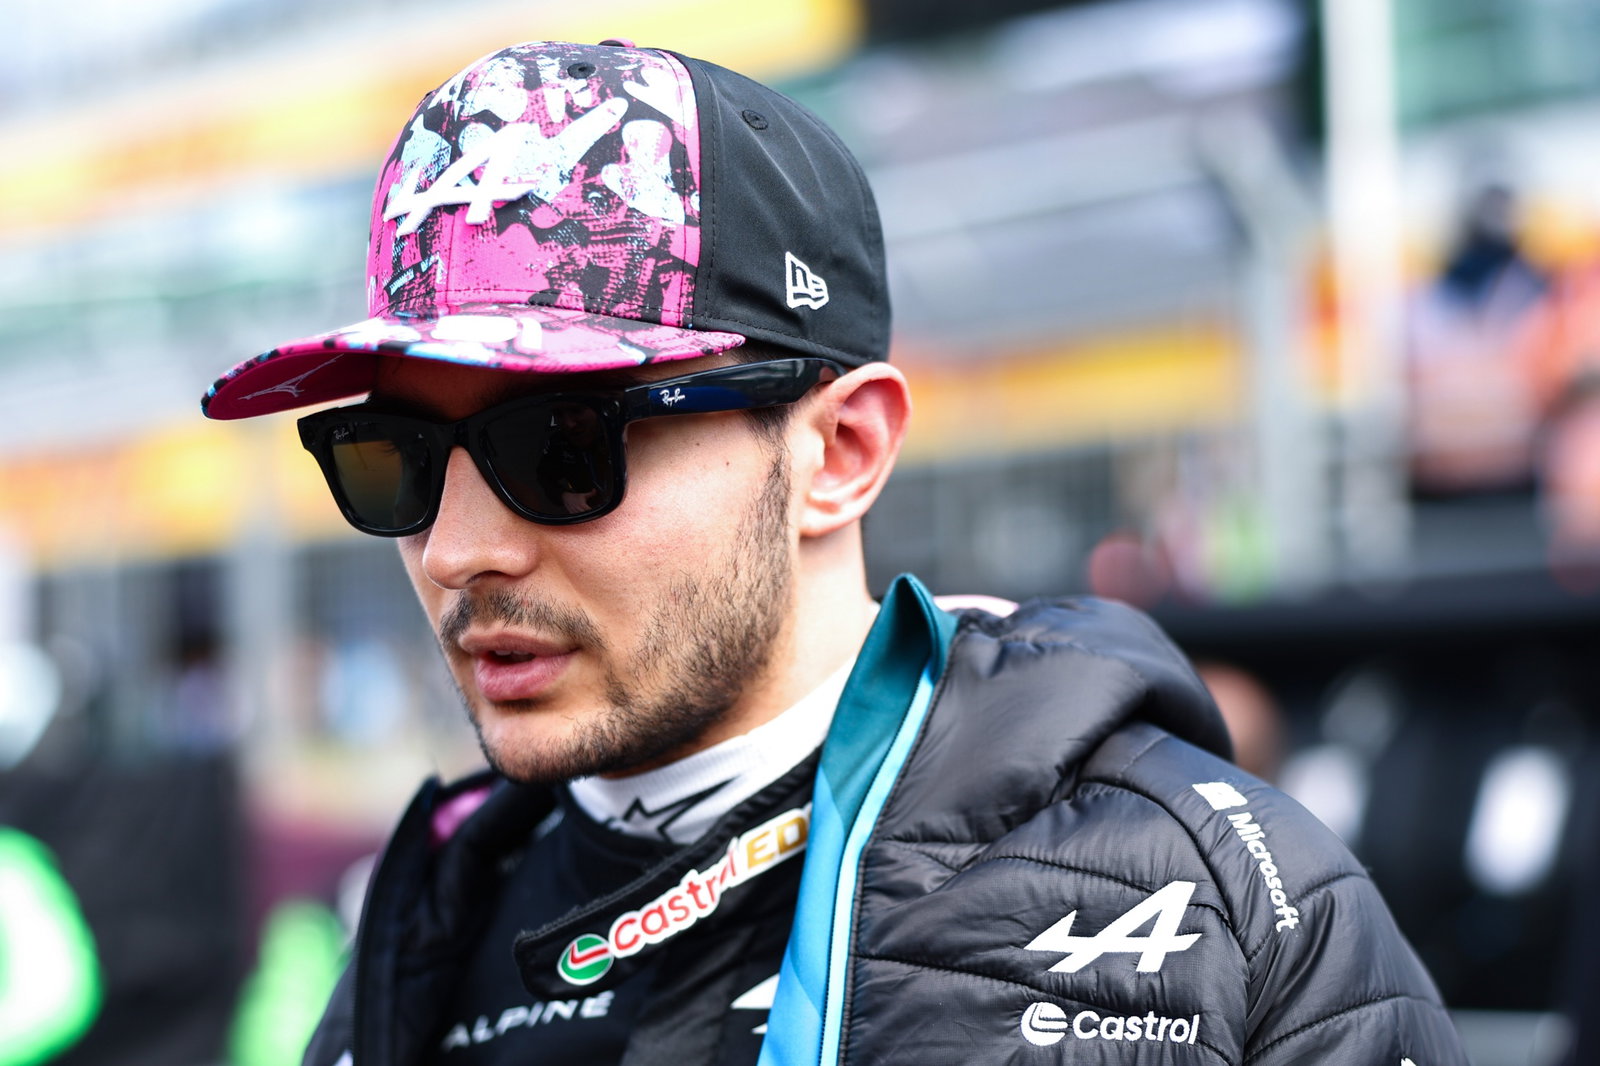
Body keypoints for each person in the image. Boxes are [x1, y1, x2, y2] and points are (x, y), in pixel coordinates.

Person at [202, 38, 1467, 1066]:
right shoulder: (425, 916)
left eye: (563, 448)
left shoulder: (1221, 899)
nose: (455, 550)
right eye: (396, 460)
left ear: (840, 451)